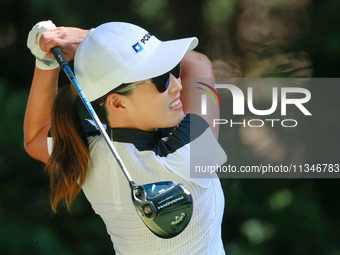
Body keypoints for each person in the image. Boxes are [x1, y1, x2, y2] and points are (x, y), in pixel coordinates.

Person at [24, 21, 227, 255]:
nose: (177, 84)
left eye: (174, 70)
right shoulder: (185, 160)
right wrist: (89, 41)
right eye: (161, 78)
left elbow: (37, 134)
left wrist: (46, 62)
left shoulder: (87, 152)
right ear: (117, 103)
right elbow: (198, 64)